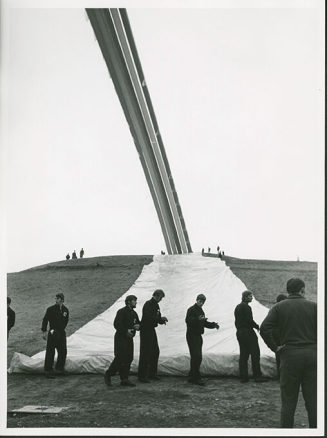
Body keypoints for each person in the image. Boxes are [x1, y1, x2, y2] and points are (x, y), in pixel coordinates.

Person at [260, 278, 317, 428]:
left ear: (288, 290)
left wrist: (275, 347)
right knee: (313, 402)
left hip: (289, 356)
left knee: (288, 401)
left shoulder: (279, 307)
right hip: (312, 355)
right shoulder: (314, 306)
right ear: (302, 290)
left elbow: (264, 328)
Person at [104, 295, 140, 387]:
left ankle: (124, 379)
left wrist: (138, 327)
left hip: (129, 338)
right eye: (134, 301)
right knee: (120, 357)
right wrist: (125, 331)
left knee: (129, 358)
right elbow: (117, 324)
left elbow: (138, 323)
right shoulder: (121, 312)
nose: (136, 302)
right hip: (121, 338)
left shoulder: (134, 313)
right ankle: (108, 374)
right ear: (128, 302)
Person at [185, 294, 219, 385]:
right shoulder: (191, 309)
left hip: (198, 336)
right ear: (196, 300)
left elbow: (204, 323)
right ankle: (195, 377)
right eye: (200, 301)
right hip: (192, 335)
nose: (201, 303)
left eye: (203, 302)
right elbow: (188, 320)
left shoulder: (201, 311)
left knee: (197, 356)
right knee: (196, 356)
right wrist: (197, 319)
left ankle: (193, 376)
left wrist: (213, 325)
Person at [234, 290, 267, 383]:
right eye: (250, 296)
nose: (252, 298)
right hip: (248, 332)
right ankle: (257, 376)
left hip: (240, 332)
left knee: (243, 355)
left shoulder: (237, 307)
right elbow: (249, 320)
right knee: (255, 353)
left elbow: (237, 321)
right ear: (245, 297)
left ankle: (243, 377)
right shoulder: (247, 307)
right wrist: (257, 326)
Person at [138, 289, 168, 383]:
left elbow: (156, 317)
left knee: (155, 351)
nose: (161, 300)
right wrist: (159, 319)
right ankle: (142, 376)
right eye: (160, 298)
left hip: (151, 329)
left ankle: (152, 374)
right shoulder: (148, 304)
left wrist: (161, 320)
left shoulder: (156, 305)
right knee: (145, 353)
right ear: (157, 296)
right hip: (145, 330)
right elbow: (148, 318)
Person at [41, 293, 69, 378]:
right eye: (56, 298)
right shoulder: (51, 309)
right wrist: (44, 331)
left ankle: (59, 369)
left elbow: (66, 321)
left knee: (63, 351)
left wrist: (61, 330)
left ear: (62, 300)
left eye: (57, 298)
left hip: (61, 332)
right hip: (53, 332)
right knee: (50, 351)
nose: (56, 300)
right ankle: (48, 371)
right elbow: (45, 320)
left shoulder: (65, 310)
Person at [272, 294, 288, 379]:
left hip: (277, 336)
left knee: (279, 356)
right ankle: (282, 375)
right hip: (280, 336)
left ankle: (281, 375)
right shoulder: (279, 310)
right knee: (282, 356)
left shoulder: (274, 309)